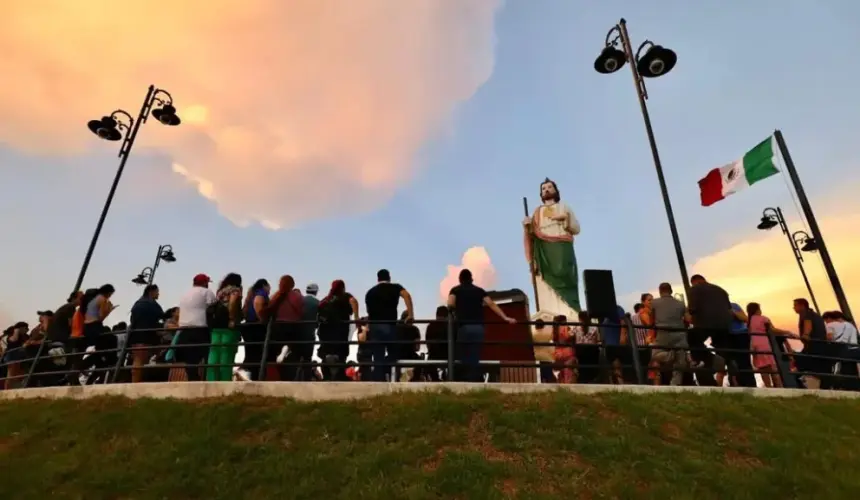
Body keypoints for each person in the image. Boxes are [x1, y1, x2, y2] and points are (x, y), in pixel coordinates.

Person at [522, 178, 582, 320]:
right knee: (544, 282)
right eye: (543, 188)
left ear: (555, 190)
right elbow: (532, 234)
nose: (546, 190)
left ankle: (572, 313)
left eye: (549, 187)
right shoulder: (537, 212)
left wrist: (564, 218)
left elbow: (576, 228)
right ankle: (549, 313)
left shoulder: (564, 207)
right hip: (543, 250)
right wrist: (527, 227)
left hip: (562, 248)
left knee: (566, 279)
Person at [447, 269, 516, 382]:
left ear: (460, 279)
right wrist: (505, 317)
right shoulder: (479, 291)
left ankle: (466, 380)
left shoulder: (455, 290)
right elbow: (491, 304)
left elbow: (450, 305)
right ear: (471, 278)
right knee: (475, 354)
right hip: (478, 327)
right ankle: (475, 379)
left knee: (463, 354)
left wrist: (455, 313)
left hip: (463, 327)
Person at [365, 269, 414, 382]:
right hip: (390, 325)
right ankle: (394, 379)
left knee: (378, 357)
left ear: (378, 279)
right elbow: (406, 295)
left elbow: (369, 311)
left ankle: (379, 382)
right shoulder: (395, 287)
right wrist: (410, 314)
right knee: (394, 354)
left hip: (375, 326)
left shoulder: (370, 292)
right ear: (389, 277)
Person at [687, 275, 732, 386]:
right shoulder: (721, 290)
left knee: (691, 338)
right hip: (724, 325)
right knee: (723, 350)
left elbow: (693, 309)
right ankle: (728, 364)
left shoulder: (695, 289)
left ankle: (708, 362)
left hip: (704, 323)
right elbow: (729, 309)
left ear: (694, 282)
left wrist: (689, 316)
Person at [177, 274, 217, 381]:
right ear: (204, 283)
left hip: (184, 330)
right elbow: (214, 304)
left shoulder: (185, 294)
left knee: (190, 360)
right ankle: (205, 381)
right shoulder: (206, 292)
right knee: (207, 357)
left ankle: (192, 381)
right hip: (200, 329)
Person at [317, 279, 359, 381]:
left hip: (326, 335)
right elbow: (353, 301)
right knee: (341, 357)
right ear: (343, 288)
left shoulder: (326, 300)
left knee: (325, 357)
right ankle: (338, 379)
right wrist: (356, 318)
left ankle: (326, 378)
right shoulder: (345, 296)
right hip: (340, 333)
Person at [649, 283, 689, 386]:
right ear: (671, 291)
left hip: (663, 333)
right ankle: (675, 385)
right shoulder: (680, 304)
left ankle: (670, 355)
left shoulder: (654, 303)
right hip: (680, 334)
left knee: (655, 355)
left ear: (660, 291)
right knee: (680, 362)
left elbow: (651, 320)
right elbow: (688, 319)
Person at [746, 302, 792, 388]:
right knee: (772, 368)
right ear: (757, 310)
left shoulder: (749, 321)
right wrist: (787, 332)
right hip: (764, 343)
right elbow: (773, 330)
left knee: (762, 369)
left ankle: (768, 388)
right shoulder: (763, 319)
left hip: (754, 345)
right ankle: (778, 387)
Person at [207, 273, 243, 382]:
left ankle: (211, 380)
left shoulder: (220, 291)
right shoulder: (236, 290)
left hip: (217, 325)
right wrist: (232, 318)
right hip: (228, 327)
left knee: (214, 354)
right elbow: (232, 302)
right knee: (226, 354)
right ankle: (224, 382)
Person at [268, 275, 304, 381]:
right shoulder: (297, 296)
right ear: (292, 284)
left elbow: (270, 309)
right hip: (293, 327)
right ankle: (289, 378)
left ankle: (274, 378)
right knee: (292, 355)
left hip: (277, 328)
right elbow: (301, 312)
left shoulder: (275, 296)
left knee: (273, 354)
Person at [128, 284, 165, 383]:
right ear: (151, 292)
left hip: (136, 334)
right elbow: (161, 316)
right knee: (140, 360)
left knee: (139, 360)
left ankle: (136, 382)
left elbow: (132, 319)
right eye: (157, 292)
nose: (158, 294)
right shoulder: (151, 304)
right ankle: (136, 384)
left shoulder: (137, 303)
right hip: (146, 335)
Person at [794, 298, 831, 389]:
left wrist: (806, 334)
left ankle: (798, 388)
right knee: (820, 370)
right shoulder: (816, 315)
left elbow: (808, 324)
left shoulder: (807, 314)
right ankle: (825, 388)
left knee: (798, 366)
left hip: (813, 346)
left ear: (802, 306)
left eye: (795, 305)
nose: (794, 308)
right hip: (821, 346)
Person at [241, 279, 270, 380]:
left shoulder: (250, 294)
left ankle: (246, 374)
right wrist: (262, 320)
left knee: (250, 354)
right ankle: (253, 377)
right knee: (257, 354)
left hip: (248, 326)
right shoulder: (261, 293)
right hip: (257, 327)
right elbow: (258, 302)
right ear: (264, 285)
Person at [299, 283, 321, 380]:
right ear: (316, 292)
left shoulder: (299, 301)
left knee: (296, 358)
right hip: (309, 333)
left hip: (297, 333)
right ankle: (306, 379)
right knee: (307, 358)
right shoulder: (318, 303)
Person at [572, 311, 600, 383]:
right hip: (592, 351)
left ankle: (582, 380)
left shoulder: (576, 327)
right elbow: (597, 339)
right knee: (591, 367)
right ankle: (592, 379)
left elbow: (570, 336)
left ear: (579, 318)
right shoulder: (594, 327)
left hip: (580, 351)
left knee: (582, 368)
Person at [424, 306, 450, 381]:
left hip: (433, 356)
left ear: (436, 315)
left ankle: (435, 380)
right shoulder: (449, 326)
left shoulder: (430, 326)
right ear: (447, 315)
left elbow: (427, 343)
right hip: (448, 356)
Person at [552, 315, 575, 384]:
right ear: (563, 321)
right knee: (568, 372)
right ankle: (567, 385)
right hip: (567, 352)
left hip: (557, 353)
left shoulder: (554, 329)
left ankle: (561, 384)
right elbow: (570, 336)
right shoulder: (566, 328)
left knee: (561, 372)